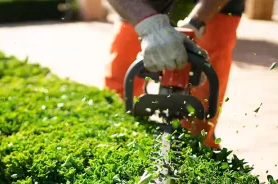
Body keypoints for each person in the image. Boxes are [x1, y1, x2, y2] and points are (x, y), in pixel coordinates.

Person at [104, 0, 244, 148]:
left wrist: (196, 24)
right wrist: (150, 26)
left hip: (214, 7)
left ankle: (199, 148)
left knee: (202, 112)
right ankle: (119, 146)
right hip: (142, 4)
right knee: (118, 92)